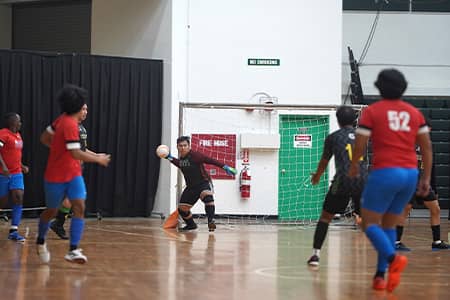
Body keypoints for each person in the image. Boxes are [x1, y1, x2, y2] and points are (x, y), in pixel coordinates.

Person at [349, 69, 432, 292]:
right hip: (410, 174)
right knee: (388, 224)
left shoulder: (372, 112)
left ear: (378, 86)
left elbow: (360, 145)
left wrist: (355, 164)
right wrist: (425, 177)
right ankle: (380, 276)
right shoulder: (415, 113)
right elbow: (426, 147)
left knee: (368, 223)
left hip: (385, 172)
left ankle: (392, 258)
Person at [36, 84, 111, 264]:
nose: (85, 109)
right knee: (51, 211)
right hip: (55, 175)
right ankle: (40, 241)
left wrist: (61, 149)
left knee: (79, 206)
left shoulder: (65, 120)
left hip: (74, 173)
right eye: (83, 106)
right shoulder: (68, 123)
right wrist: (98, 159)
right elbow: (75, 153)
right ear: (76, 106)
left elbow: (45, 138)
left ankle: (73, 249)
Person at [307, 106, 368, 266]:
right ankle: (386, 253)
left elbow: (324, 161)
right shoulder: (362, 137)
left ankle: (315, 255)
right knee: (367, 220)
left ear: (338, 120)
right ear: (355, 120)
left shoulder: (333, 137)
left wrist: (317, 176)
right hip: (363, 180)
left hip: (343, 180)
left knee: (326, 217)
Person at [161, 136, 236, 232]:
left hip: (203, 183)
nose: (183, 148)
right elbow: (179, 164)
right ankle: (191, 225)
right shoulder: (182, 159)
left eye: (185, 145)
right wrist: (168, 157)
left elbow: (210, 160)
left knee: (207, 198)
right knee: (182, 209)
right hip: (191, 187)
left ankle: (210, 221)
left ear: (189, 146)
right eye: (180, 146)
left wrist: (225, 167)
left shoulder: (195, 156)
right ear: (177, 147)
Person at [395, 120, 449, 251]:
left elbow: (432, 167)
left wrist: (434, 188)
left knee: (435, 209)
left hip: (423, 184)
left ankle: (436, 241)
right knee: (404, 210)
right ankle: (396, 242)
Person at [43, 105, 89, 240]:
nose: (85, 112)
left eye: (86, 109)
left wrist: (97, 156)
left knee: (71, 199)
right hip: (69, 168)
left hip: (77, 168)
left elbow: (83, 150)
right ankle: (57, 223)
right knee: (73, 199)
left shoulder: (82, 129)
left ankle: (58, 223)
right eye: (83, 109)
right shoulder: (69, 126)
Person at [0, 113, 29, 242]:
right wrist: (4, 166)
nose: (20, 123)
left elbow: (16, 154)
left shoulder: (18, 135)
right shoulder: (3, 134)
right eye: (19, 121)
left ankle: (14, 231)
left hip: (17, 173)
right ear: (12, 122)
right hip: (3, 173)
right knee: (2, 201)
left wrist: (22, 166)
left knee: (18, 196)